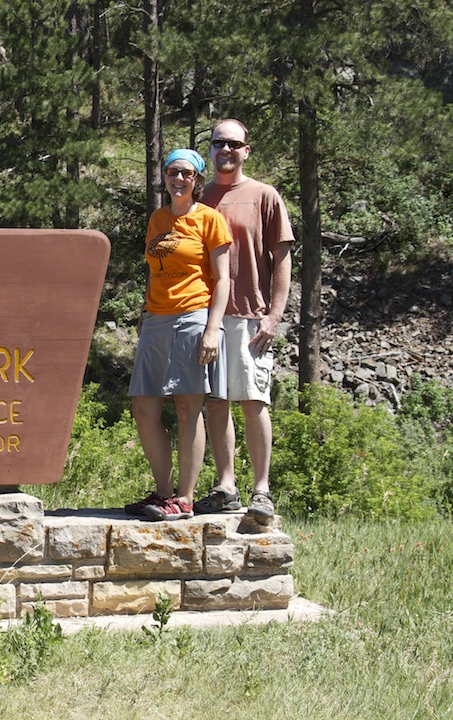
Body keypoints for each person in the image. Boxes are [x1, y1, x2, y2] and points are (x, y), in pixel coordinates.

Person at [193, 119, 295, 523]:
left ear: (246, 151)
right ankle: (226, 486)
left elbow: (282, 258)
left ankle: (262, 490)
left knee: (253, 401)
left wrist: (274, 315)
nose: (226, 149)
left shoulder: (264, 196)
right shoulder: (199, 197)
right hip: (205, 316)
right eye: (219, 142)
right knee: (215, 403)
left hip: (251, 316)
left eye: (234, 144)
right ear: (210, 148)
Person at [125, 149, 232, 521]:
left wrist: (213, 329)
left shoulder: (210, 219)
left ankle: (184, 499)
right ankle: (164, 492)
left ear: (197, 179)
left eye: (186, 173)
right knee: (144, 408)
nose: (179, 178)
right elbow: (155, 270)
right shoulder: (158, 218)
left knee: (188, 408)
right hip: (156, 320)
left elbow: (223, 279)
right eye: (172, 172)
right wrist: (145, 310)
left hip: (193, 317)